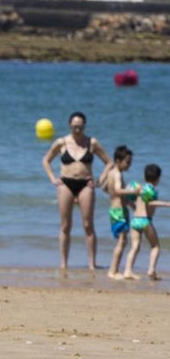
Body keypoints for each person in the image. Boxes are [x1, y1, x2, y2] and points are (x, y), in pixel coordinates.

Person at [41, 111, 112, 275]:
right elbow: (46, 160)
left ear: (84, 126)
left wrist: (100, 179)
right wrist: (52, 178)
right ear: (70, 126)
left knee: (88, 225)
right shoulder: (62, 142)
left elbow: (109, 162)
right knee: (65, 225)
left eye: (80, 127)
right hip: (65, 183)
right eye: (74, 127)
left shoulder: (91, 142)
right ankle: (64, 264)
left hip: (86, 184)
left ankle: (92, 264)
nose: (77, 130)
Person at [122, 163, 169, 282]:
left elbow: (127, 200)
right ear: (158, 179)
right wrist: (166, 204)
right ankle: (151, 270)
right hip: (145, 220)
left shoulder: (139, 188)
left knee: (134, 247)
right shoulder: (151, 190)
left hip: (135, 219)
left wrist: (134, 207)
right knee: (155, 246)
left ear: (144, 176)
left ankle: (127, 270)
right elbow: (150, 203)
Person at [100, 145, 139, 279]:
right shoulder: (116, 174)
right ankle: (113, 271)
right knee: (122, 242)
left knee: (122, 241)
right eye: (127, 162)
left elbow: (105, 188)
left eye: (130, 162)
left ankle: (114, 270)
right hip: (119, 212)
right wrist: (133, 191)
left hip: (116, 209)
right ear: (117, 161)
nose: (129, 165)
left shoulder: (112, 173)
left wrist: (129, 202)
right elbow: (117, 190)